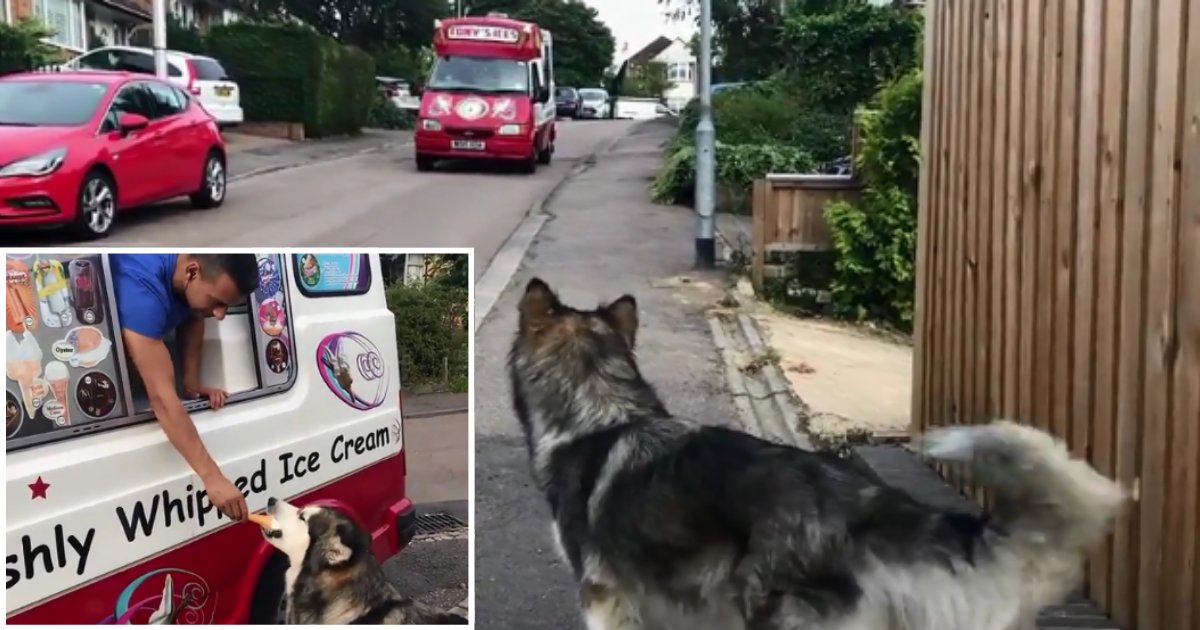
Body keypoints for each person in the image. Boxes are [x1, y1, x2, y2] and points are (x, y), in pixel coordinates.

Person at [110, 254, 260, 522]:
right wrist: (212, 477)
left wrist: (191, 382)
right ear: (192, 271)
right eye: (218, 303)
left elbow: (193, 312)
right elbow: (162, 399)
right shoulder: (140, 288)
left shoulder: (188, 280)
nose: (220, 315)